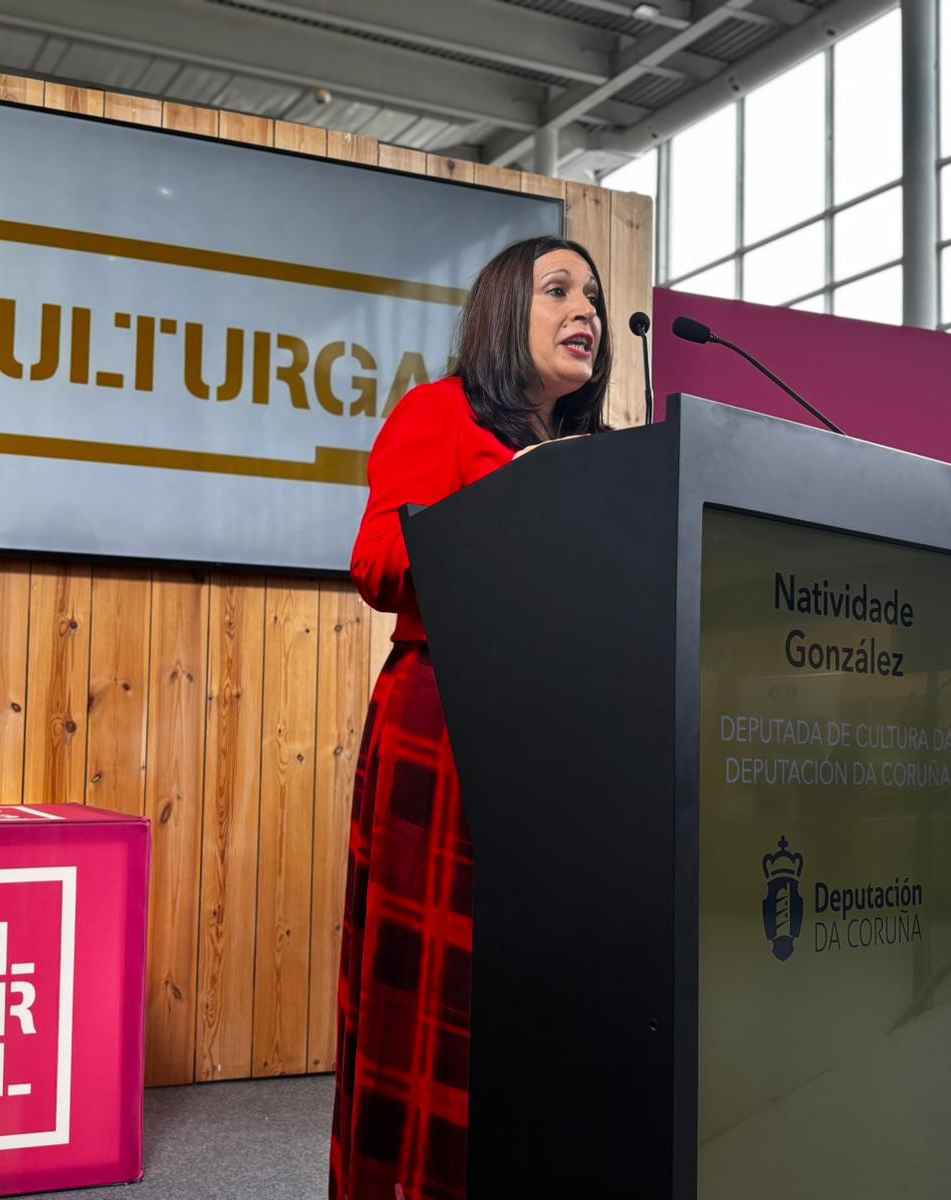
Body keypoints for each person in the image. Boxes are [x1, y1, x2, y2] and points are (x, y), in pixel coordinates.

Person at [331, 236, 610, 1200]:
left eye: (593, 296)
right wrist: (515, 498)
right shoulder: (438, 411)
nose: (586, 310)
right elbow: (377, 564)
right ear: (502, 311)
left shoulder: (604, 455)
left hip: (569, 738)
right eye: (558, 290)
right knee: (440, 997)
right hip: (448, 726)